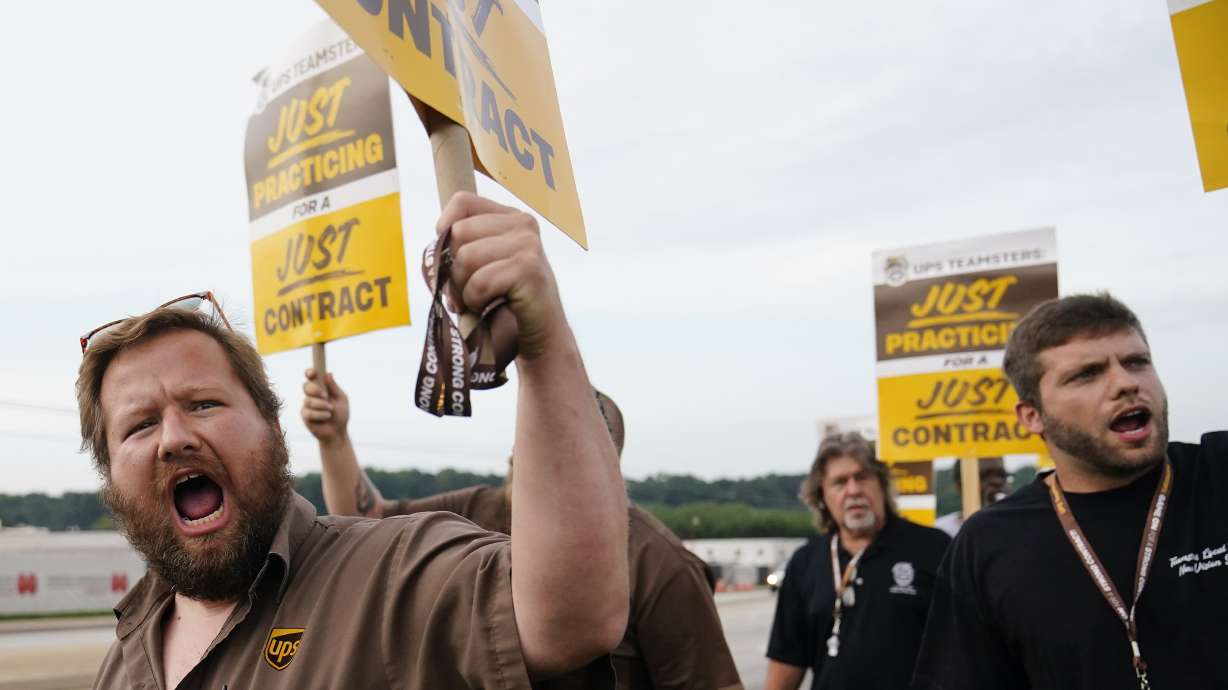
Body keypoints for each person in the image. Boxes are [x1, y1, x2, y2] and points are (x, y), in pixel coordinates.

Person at [79, 192, 630, 690]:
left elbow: (570, 619)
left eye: (203, 404)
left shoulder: (390, 580)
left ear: (272, 424)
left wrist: (543, 339)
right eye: (141, 425)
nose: (174, 438)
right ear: (110, 475)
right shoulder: (126, 660)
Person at [301, 374, 744, 690]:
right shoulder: (479, 510)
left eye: (567, 448)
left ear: (606, 466)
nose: (540, 455)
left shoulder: (659, 564)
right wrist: (334, 440)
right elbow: (366, 519)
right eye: (533, 437)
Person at [912, 293, 1228, 690]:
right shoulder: (988, 544)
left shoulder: (1217, 474)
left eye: (1137, 362)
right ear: (1032, 416)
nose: (1127, 383)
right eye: (1087, 374)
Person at [764, 433, 951, 690]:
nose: (853, 490)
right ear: (822, 497)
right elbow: (787, 659)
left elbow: (964, 650)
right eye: (840, 483)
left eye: (862, 477)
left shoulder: (934, 548)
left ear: (882, 484)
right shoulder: (805, 562)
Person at [933, 457, 1009, 537]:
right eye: (984, 476)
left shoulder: (1018, 526)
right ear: (960, 485)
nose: (997, 481)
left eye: (1002, 475)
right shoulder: (942, 530)